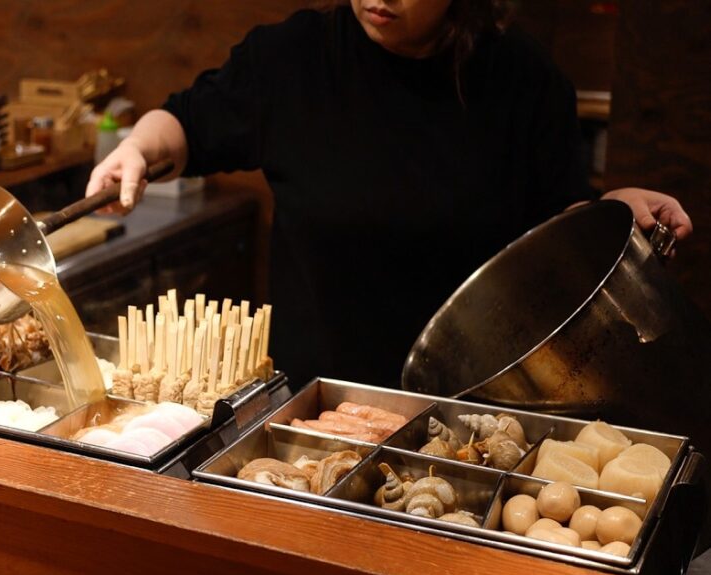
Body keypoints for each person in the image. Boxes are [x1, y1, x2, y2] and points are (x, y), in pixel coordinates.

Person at [86, 0, 693, 388]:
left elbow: (559, 219)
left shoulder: (522, 80)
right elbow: (187, 125)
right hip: (315, 399)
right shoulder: (291, 59)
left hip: (472, 401)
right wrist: (138, 147)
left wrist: (615, 212)